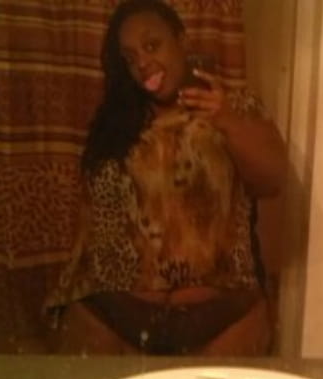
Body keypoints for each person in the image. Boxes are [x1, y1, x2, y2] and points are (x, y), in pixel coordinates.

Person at [44, 0, 286, 356]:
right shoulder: (116, 123)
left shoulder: (234, 107)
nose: (142, 63)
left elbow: (272, 180)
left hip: (221, 313)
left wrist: (226, 120)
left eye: (152, 45)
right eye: (130, 57)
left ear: (182, 41)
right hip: (117, 312)